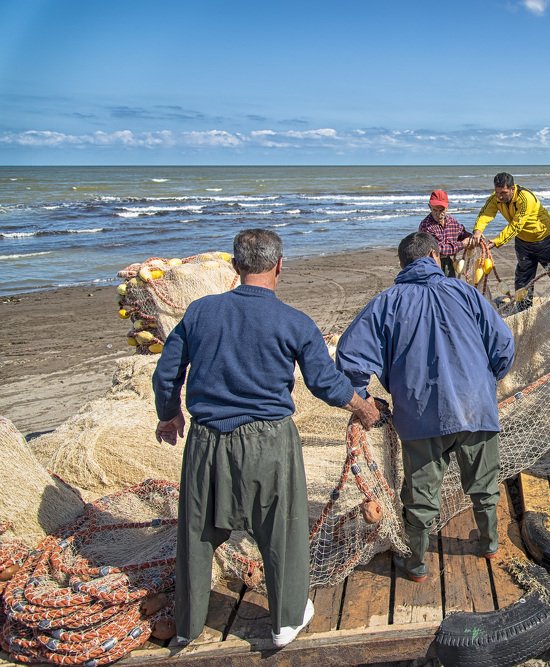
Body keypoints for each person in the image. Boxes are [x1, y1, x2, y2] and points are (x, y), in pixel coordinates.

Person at [152, 229, 380, 648]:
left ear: (236, 268)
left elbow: (167, 373)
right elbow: (325, 382)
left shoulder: (200, 312)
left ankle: (187, 624)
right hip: (268, 441)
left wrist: (169, 415)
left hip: (206, 440)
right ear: (279, 266)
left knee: (197, 535)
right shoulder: (294, 321)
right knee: (282, 531)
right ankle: (285, 621)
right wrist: (363, 406)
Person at [336, 232, 515, 583]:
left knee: (420, 498)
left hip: (419, 417)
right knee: (484, 486)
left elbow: (349, 357)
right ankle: (489, 543)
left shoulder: (386, 302)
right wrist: (484, 381)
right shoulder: (464, 291)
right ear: (435, 256)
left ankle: (416, 565)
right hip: (475, 410)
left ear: (403, 264)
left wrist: (363, 397)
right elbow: (503, 344)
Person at [472, 172, 550, 309]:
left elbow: (516, 225)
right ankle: (523, 311)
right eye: (497, 192)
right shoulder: (496, 198)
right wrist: (477, 231)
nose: (499, 196)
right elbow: (486, 213)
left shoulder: (525, 198)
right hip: (524, 244)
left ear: (512, 188)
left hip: (547, 240)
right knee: (523, 280)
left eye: (503, 192)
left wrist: (497, 241)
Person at [417, 189, 474, 277]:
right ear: (429, 207)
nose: (438, 214)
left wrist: (473, 237)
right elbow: (438, 249)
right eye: (435, 210)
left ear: (447, 208)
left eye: (441, 210)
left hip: (447, 263)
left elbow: (461, 233)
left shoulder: (452, 221)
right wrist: (462, 244)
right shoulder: (426, 226)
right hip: (431, 264)